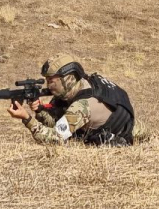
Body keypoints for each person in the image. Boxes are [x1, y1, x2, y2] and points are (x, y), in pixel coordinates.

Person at [7, 54, 135, 146]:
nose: (48, 86)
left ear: (68, 78)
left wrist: (27, 118)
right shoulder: (79, 85)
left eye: (52, 81)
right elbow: (56, 122)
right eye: (47, 80)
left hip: (126, 129)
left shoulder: (81, 106)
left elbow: (54, 138)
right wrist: (40, 110)